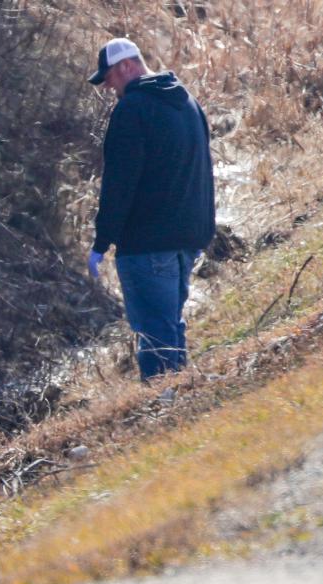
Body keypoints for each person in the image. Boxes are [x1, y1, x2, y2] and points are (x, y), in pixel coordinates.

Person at [86, 37, 215, 381]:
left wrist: (102, 241)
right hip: (187, 238)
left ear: (127, 66)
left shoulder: (132, 109)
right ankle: (180, 400)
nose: (109, 87)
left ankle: (164, 412)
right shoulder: (187, 100)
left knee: (156, 339)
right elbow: (203, 166)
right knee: (170, 329)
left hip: (147, 244)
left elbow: (119, 182)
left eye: (110, 77)